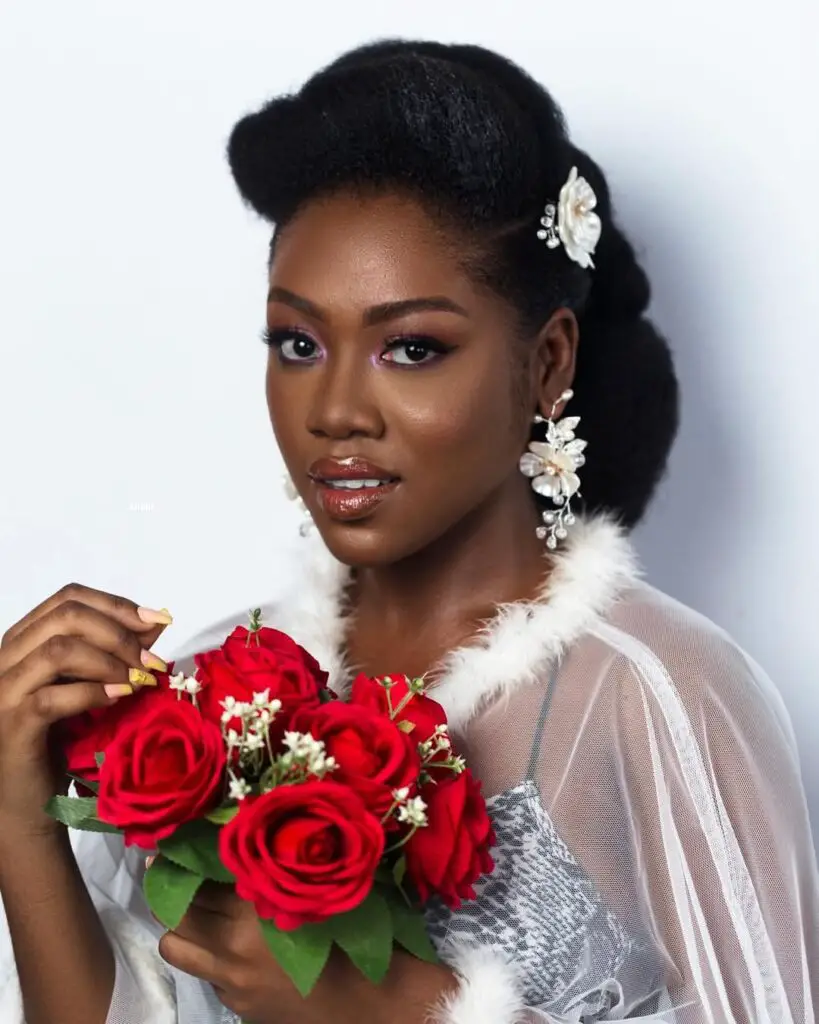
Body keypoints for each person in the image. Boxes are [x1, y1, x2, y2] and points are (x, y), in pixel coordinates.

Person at [0, 37, 817, 1024]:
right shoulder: (218, 682)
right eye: (298, 342)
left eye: (412, 347)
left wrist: (405, 1008)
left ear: (548, 362)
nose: (336, 407)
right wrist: (20, 818)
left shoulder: (657, 692)